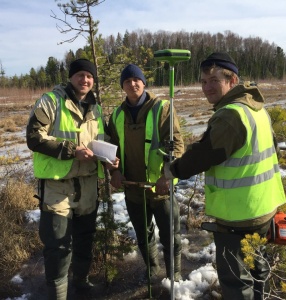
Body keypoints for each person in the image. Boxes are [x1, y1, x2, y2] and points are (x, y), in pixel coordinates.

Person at [164, 52, 286, 299]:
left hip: (239, 217)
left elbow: (204, 155)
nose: (207, 87)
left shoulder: (231, 114)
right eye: (203, 81)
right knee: (257, 271)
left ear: (232, 81)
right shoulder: (257, 109)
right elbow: (274, 151)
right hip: (263, 210)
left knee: (236, 282)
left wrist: (171, 171)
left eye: (214, 80)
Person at [26, 58, 117, 300]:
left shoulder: (96, 108)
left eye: (89, 75)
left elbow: (102, 141)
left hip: (87, 186)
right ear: (71, 77)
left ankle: (82, 286)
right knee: (57, 246)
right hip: (58, 187)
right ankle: (59, 295)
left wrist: (109, 159)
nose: (85, 79)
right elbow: (34, 137)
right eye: (80, 74)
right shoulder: (51, 101)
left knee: (85, 240)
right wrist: (71, 150)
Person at [108, 64, 184, 281]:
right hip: (133, 189)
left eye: (136, 80)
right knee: (143, 235)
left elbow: (177, 145)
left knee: (171, 236)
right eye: (127, 81)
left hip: (160, 188)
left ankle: (174, 274)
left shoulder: (163, 108)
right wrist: (114, 171)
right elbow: (111, 148)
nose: (132, 84)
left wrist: (167, 176)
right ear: (123, 86)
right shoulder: (117, 115)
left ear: (143, 82)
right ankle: (152, 268)